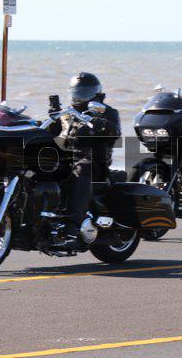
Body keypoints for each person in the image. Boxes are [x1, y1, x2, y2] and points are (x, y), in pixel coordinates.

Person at [56, 72, 121, 248]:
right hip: (67, 158)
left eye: (84, 93)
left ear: (96, 94)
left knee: (82, 169)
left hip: (94, 161)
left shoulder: (107, 112)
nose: (80, 97)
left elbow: (115, 132)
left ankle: (73, 224)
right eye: (77, 93)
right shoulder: (66, 113)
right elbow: (51, 133)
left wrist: (102, 124)